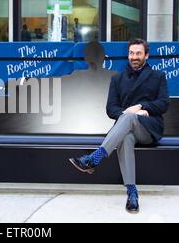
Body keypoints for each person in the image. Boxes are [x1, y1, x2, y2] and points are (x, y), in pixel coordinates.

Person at [68, 38, 170, 214]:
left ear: (146, 55)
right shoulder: (118, 78)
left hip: (149, 128)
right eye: (131, 53)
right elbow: (111, 109)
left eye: (138, 53)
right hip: (126, 129)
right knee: (127, 138)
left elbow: (164, 103)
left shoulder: (158, 76)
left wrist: (142, 108)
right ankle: (132, 193)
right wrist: (127, 115)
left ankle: (94, 158)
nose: (134, 57)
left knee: (129, 118)